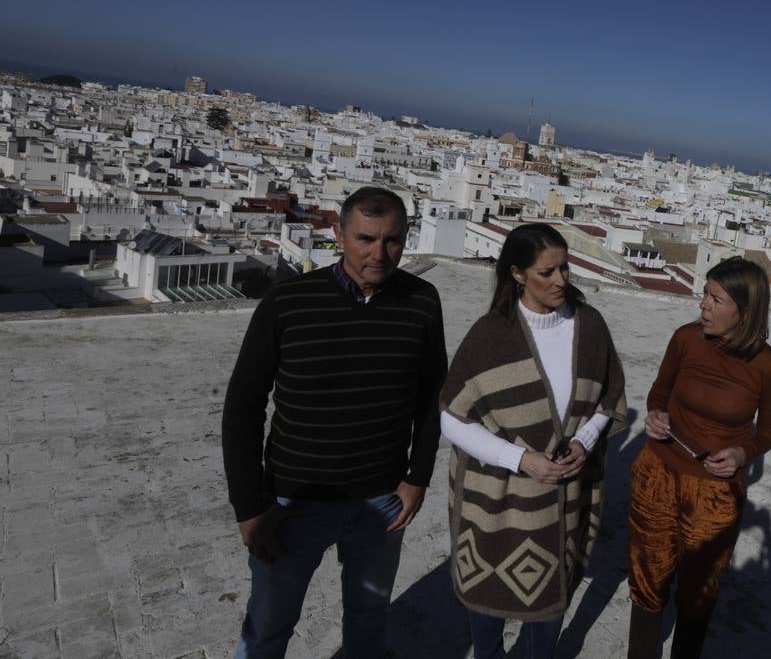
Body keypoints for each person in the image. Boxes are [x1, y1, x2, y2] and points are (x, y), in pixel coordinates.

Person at [221, 186, 447, 658]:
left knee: (367, 623)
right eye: (365, 238)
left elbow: (432, 397)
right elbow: (243, 406)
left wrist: (417, 478)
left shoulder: (422, 303)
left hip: (382, 500)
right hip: (294, 501)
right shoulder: (288, 302)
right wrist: (249, 507)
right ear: (338, 235)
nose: (379, 254)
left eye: (392, 241)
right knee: (267, 627)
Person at [440, 223, 627, 659]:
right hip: (494, 504)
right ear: (518, 274)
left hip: (564, 497)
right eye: (548, 271)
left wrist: (584, 440)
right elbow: (453, 418)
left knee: (548, 608)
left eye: (565, 268)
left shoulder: (590, 327)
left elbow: (608, 398)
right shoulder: (490, 335)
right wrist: (520, 459)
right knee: (487, 608)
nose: (561, 280)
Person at [627, 255, 771, 659]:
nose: (703, 306)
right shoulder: (685, 338)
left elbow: (767, 432)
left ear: (744, 311)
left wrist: (740, 452)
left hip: (715, 494)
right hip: (658, 473)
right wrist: (656, 414)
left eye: (715, 299)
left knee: (699, 589)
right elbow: (659, 392)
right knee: (647, 576)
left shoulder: (769, 366)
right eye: (705, 295)